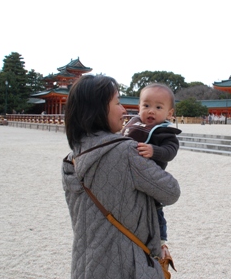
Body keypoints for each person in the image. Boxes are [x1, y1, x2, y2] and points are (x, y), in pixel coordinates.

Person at [62, 75, 180, 278]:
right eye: (117, 102)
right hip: (128, 266)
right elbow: (171, 191)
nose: (124, 109)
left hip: (86, 264)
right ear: (97, 109)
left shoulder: (71, 159)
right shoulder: (125, 151)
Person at [121, 83, 181, 251]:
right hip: (129, 178)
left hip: (151, 178)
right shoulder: (134, 126)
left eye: (158, 107)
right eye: (146, 106)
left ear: (169, 113)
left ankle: (161, 240)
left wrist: (154, 150)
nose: (151, 111)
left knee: (155, 209)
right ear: (138, 107)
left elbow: (170, 152)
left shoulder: (165, 133)